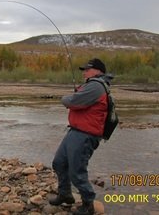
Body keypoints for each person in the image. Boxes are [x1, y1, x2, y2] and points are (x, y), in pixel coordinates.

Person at [49, 58, 112, 215]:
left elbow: (74, 102)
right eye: (84, 69)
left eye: (87, 69)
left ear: (98, 71)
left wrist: (65, 99)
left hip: (85, 135)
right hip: (75, 132)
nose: (84, 72)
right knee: (59, 163)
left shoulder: (96, 86)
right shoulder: (92, 85)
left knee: (77, 171)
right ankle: (65, 194)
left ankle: (88, 204)